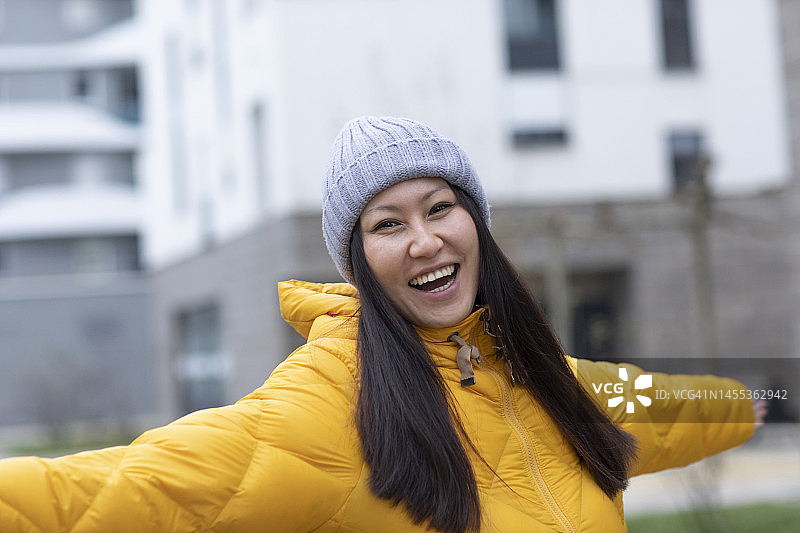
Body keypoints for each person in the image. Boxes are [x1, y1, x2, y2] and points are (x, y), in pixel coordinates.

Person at [0, 116, 766, 532]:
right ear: (359, 258)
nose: (425, 240)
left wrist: (756, 400)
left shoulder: (547, 379)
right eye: (388, 223)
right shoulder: (330, 401)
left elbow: (669, 405)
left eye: (441, 207)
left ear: (475, 223)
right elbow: (134, 489)